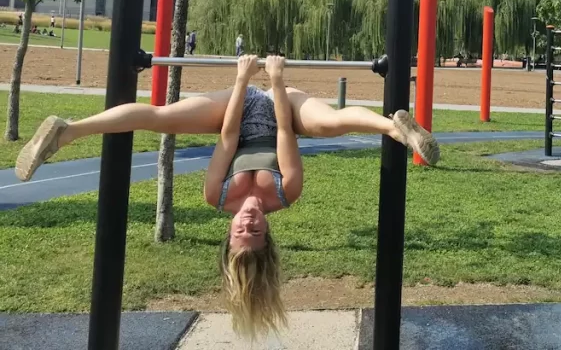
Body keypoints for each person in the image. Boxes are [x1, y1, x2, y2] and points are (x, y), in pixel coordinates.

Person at [14, 55, 440, 340]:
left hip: (233, 113)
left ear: (231, 231)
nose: (248, 221)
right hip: (283, 109)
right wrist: (276, 82)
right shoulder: (285, 191)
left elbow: (228, 136)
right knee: (327, 124)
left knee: (160, 118)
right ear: (267, 233)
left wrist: (241, 80)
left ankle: (66, 132)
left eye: (240, 230)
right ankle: (396, 129)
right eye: (255, 230)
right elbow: (288, 133)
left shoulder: (216, 195)